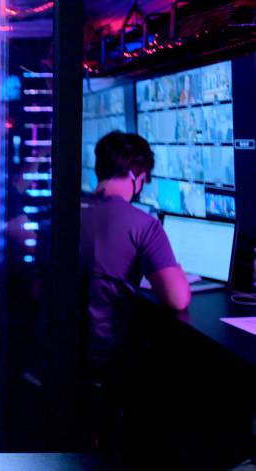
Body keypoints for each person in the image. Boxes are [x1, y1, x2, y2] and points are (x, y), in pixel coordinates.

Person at [78, 131, 190, 452]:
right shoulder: (143, 225)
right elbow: (177, 298)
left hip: (56, 349)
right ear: (135, 177)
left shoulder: (67, 210)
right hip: (107, 355)